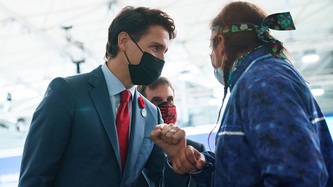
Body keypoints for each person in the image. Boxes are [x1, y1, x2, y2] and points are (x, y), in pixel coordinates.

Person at [151, 1, 333, 187]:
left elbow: (297, 176)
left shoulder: (262, 83)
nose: (212, 58)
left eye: (210, 48)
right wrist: (204, 166)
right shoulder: (260, 78)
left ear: (220, 42)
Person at [18, 6, 188, 187]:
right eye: (155, 47)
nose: (161, 59)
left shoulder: (151, 114)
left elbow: (158, 182)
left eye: (164, 52)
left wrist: (175, 161)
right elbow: (35, 177)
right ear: (124, 41)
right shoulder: (68, 93)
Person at [137, 76, 206, 187]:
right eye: (156, 101)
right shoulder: (135, 153)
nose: (167, 106)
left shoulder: (195, 150)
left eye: (169, 100)